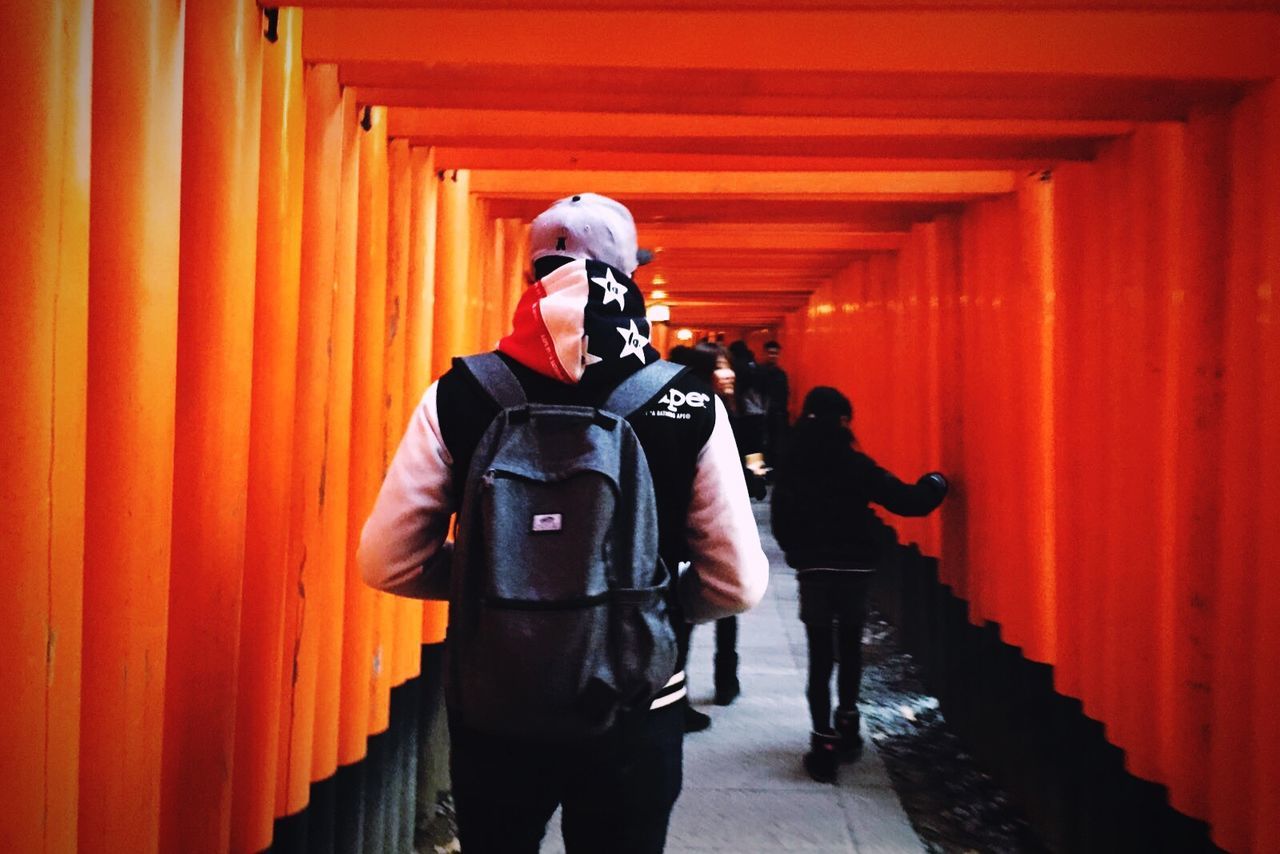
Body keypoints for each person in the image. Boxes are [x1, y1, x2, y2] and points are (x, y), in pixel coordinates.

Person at [359, 192, 768, 854]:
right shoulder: (688, 401)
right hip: (637, 702)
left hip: (498, 699)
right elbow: (740, 583)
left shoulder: (458, 393)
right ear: (630, 276)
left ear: (530, 278)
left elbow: (387, 561)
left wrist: (502, 588)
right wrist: (650, 608)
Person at [770, 386, 948, 784]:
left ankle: (822, 744)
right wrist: (937, 482)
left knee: (820, 658)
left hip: (814, 572)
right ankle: (848, 725)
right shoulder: (856, 465)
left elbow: (781, 521)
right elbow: (908, 500)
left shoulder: (793, 467)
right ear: (845, 421)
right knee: (849, 649)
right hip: (854, 571)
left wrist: (800, 555)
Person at [756, 340, 790, 467]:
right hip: (764, 414)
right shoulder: (763, 372)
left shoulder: (779, 374)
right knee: (763, 444)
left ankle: (763, 473)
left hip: (774, 414)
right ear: (765, 353)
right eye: (771, 353)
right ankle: (761, 473)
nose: (773, 356)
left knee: (772, 444)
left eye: (775, 353)